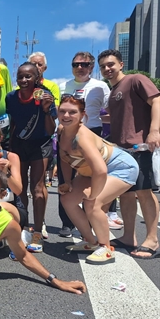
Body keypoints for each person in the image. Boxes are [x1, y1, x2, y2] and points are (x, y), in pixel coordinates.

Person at [58, 94, 139, 264]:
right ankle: (91, 242)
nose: (66, 116)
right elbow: (65, 157)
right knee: (67, 199)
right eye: (62, 111)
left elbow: (101, 171)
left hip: (121, 168)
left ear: (83, 115)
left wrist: (94, 194)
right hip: (92, 171)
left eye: (72, 112)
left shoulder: (82, 138)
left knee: (92, 203)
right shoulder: (61, 131)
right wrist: (66, 181)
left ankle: (106, 248)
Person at [98, 49, 160, 259]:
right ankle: (128, 237)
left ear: (121, 64)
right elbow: (122, 117)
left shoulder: (136, 80)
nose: (107, 69)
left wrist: (154, 131)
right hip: (121, 149)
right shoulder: (113, 90)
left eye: (111, 64)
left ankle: (152, 239)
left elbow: (157, 101)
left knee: (144, 192)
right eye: (103, 66)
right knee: (125, 193)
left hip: (139, 146)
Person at [58, 52, 118, 235]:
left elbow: (111, 111)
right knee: (65, 177)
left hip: (93, 133)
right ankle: (67, 222)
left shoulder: (101, 86)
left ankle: (92, 218)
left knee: (95, 177)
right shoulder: (63, 86)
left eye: (84, 64)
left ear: (92, 67)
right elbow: (59, 112)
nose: (80, 68)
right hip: (67, 134)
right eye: (76, 64)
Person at [6, 62, 56, 253]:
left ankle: (37, 231)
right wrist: (9, 147)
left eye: (28, 76)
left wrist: (46, 109)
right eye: (20, 76)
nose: (24, 80)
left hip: (40, 144)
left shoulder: (45, 96)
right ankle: (23, 228)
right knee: (20, 188)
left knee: (37, 188)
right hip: (19, 145)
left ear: (37, 78)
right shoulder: (11, 97)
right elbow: (12, 124)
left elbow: (51, 130)